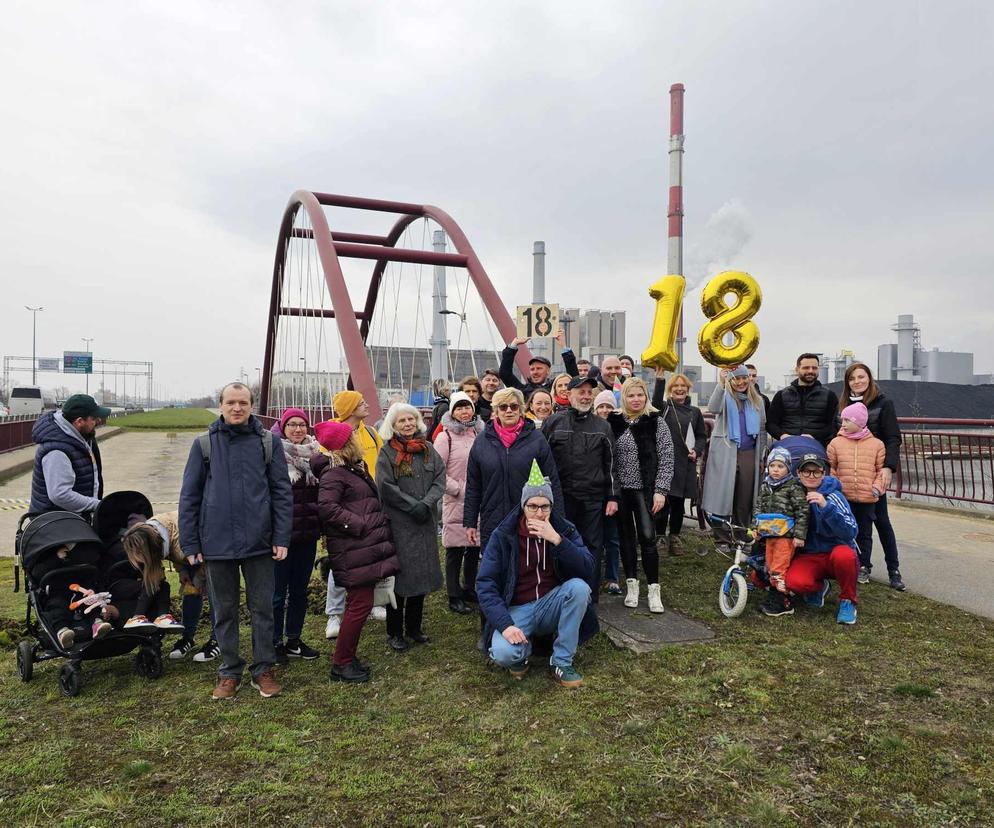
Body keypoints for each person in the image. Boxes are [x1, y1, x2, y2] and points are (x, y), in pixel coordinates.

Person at [179, 382, 293, 700]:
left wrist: (281, 536)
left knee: (263, 609)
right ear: (221, 405)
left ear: (251, 405)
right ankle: (229, 671)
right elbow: (189, 497)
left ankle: (263, 669)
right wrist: (190, 545)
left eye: (243, 402)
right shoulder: (204, 445)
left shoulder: (268, 443)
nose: (237, 408)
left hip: (260, 543)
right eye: (231, 402)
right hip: (216, 545)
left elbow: (282, 493)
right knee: (224, 610)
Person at [477, 460, 597, 687]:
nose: (539, 513)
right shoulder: (504, 535)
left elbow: (588, 569)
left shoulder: (563, 529)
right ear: (523, 506)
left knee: (579, 589)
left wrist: (558, 541)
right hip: (516, 609)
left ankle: (561, 660)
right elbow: (485, 584)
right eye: (533, 506)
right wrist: (505, 625)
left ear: (552, 507)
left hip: (551, 603)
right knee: (504, 654)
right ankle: (522, 650)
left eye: (545, 507)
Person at [312, 422, 400, 683]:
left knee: (359, 603)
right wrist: (360, 525)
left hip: (361, 547)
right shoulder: (334, 474)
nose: (358, 440)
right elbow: (327, 508)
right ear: (344, 444)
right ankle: (342, 663)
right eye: (353, 437)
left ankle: (346, 657)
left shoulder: (350, 468)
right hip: (353, 547)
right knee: (359, 605)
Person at [376, 403, 446, 651]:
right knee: (400, 579)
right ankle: (395, 632)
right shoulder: (387, 453)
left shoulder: (427, 449)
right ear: (392, 426)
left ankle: (414, 628)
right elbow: (385, 486)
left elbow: (440, 478)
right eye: (401, 421)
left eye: (410, 419)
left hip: (424, 521)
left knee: (421, 575)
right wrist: (411, 505)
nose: (407, 424)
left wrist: (425, 504)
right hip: (400, 524)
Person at [541, 375, 616, 602]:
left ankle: (589, 596)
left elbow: (612, 465)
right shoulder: (553, 422)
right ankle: (558, 592)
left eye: (588, 392)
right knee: (558, 543)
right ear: (569, 394)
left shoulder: (603, 426)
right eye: (580, 391)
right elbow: (541, 460)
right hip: (560, 497)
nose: (585, 396)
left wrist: (613, 498)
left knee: (592, 546)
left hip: (593, 498)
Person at [464, 387, 563, 554]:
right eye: (503, 407)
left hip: (528, 518)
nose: (509, 411)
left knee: (526, 569)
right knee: (495, 568)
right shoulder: (481, 441)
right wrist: (470, 522)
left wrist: (558, 520)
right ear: (495, 411)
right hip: (492, 518)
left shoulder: (536, 439)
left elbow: (552, 481)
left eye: (514, 406)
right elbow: (473, 486)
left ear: (521, 409)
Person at [607, 377, 674, 613]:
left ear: (646, 396)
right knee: (625, 538)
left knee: (647, 537)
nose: (636, 400)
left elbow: (667, 457)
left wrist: (661, 490)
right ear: (623, 397)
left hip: (645, 490)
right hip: (621, 490)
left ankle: (654, 589)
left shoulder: (655, 422)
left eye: (640, 395)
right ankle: (632, 585)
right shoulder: (613, 422)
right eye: (631, 395)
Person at [325, 389, 386, 639]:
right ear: (349, 408)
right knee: (340, 561)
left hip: (372, 500)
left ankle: (376, 603)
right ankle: (334, 614)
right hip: (347, 505)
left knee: (374, 555)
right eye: (360, 402)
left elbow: (382, 461)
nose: (367, 405)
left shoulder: (370, 432)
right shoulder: (330, 433)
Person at [840, 363, 905, 590]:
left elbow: (893, 437)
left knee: (882, 521)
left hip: (874, 473)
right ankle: (859, 565)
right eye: (852, 378)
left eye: (861, 377)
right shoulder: (845, 405)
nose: (857, 381)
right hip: (850, 474)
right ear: (847, 383)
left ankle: (893, 570)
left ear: (869, 378)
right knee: (854, 524)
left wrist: (888, 468)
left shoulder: (883, 403)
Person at [270, 408, 322, 664]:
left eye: (302, 424)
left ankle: (294, 639)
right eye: (292, 424)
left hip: (308, 534)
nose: (298, 429)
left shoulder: (317, 455)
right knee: (277, 593)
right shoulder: (272, 455)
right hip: (281, 537)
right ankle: (274, 642)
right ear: (283, 427)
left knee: (299, 591)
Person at [783, 453, 860, 625]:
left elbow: (851, 531)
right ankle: (819, 587)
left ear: (823, 474)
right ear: (799, 473)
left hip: (836, 551)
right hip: (809, 554)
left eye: (816, 472)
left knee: (845, 556)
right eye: (806, 472)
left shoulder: (834, 496)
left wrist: (826, 507)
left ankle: (848, 600)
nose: (811, 476)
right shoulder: (792, 494)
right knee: (795, 583)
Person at [702, 366, 768, 553]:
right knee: (721, 496)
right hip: (725, 451)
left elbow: (762, 429)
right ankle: (721, 538)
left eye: (743, 378)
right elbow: (713, 407)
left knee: (745, 497)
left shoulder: (757, 401)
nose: (740, 383)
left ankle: (741, 535)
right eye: (735, 379)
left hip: (748, 452)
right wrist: (721, 383)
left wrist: (762, 455)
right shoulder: (724, 396)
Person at [433, 392, 485, 614]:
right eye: (460, 407)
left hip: (479, 499)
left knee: (474, 546)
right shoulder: (446, 437)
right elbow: (437, 471)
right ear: (452, 412)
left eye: (468, 407)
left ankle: (469, 587)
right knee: (455, 549)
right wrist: (459, 489)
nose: (465, 411)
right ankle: (454, 595)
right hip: (456, 498)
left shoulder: (478, 433)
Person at [827, 402, 887, 587]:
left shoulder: (877, 445)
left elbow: (881, 471)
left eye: (847, 420)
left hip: (867, 497)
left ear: (859, 422)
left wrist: (876, 488)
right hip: (843, 498)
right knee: (841, 532)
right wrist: (834, 488)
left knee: (864, 533)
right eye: (842, 419)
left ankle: (863, 566)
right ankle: (843, 565)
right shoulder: (836, 443)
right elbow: (831, 468)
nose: (842, 423)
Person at [651, 371, 706, 556]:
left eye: (683, 386)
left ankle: (674, 536)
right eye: (676, 386)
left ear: (688, 389)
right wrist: (659, 380)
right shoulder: (664, 408)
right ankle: (660, 537)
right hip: (665, 463)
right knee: (662, 503)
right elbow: (655, 403)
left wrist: (696, 450)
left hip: (685, 464)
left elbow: (701, 436)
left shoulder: (695, 412)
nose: (680, 389)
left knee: (678, 503)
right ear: (670, 389)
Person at [29, 393, 110, 516]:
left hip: (71, 520)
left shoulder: (80, 437)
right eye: (93, 418)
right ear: (79, 421)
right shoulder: (57, 451)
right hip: (57, 526)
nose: (98, 421)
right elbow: (60, 494)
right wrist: (97, 505)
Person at [753, 447, 809, 617]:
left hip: (786, 536)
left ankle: (783, 601)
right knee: (769, 565)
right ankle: (775, 594)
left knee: (779, 567)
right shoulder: (766, 485)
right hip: (769, 534)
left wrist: (799, 535)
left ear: (788, 468)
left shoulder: (793, 487)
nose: (776, 470)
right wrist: (756, 527)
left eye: (780, 466)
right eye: (773, 466)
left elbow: (802, 511)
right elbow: (759, 507)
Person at [119, 517, 188, 633]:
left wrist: (199, 580)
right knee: (156, 582)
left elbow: (195, 559)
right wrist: (183, 570)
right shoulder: (152, 531)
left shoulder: (181, 546)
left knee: (160, 583)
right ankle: (144, 616)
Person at [767, 353, 839, 447]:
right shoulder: (782, 395)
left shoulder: (829, 396)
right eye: (806, 368)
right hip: (786, 446)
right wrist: (783, 435)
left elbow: (833, 426)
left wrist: (814, 436)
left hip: (817, 447)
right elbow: (771, 424)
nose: (810, 371)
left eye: (814, 368)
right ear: (797, 370)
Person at [594, 389, 622, 594]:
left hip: (613, 489)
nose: (604, 410)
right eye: (601, 406)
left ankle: (612, 576)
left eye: (608, 407)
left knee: (612, 536)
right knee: (593, 536)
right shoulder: (591, 428)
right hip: (594, 488)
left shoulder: (620, 429)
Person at [498, 328, 578, 397]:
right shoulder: (522, 391)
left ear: (548, 371)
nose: (535, 372)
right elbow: (505, 374)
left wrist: (563, 346)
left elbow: (574, 378)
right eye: (532, 369)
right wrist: (514, 344)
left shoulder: (557, 388)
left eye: (539, 368)